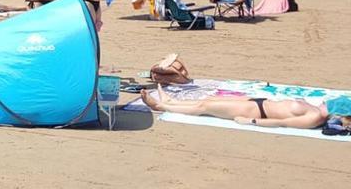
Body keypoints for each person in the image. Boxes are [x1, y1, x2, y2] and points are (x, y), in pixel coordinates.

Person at [141, 84, 351, 130]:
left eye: (330, 103)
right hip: (257, 102)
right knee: (211, 102)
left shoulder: (314, 118)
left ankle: (161, 106)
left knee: (204, 106)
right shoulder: (314, 109)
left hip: (254, 112)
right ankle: (170, 100)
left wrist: (250, 121)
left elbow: (282, 123)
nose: (326, 100)